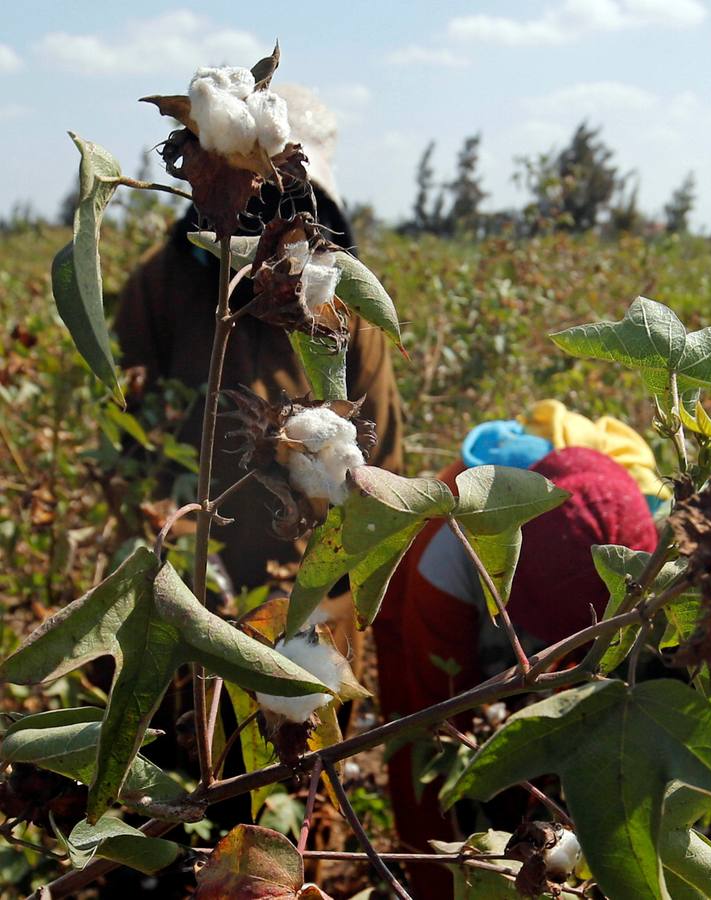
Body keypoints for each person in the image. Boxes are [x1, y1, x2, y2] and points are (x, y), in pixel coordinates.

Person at [114, 85, 403, 593]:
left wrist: (328, 587)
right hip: (181, 584)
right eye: (253, 187)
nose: (266, 208)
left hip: (304, 601)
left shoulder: (343, 302)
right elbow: (131, 439)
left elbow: (379, 467)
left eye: (285, 192)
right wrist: (174, 561)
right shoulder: (160, 286)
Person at [372, 423, 658, 885]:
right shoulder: (444, 561)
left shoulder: (620, 506)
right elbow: (431, 728)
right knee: (420, 747)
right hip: (422, 611)